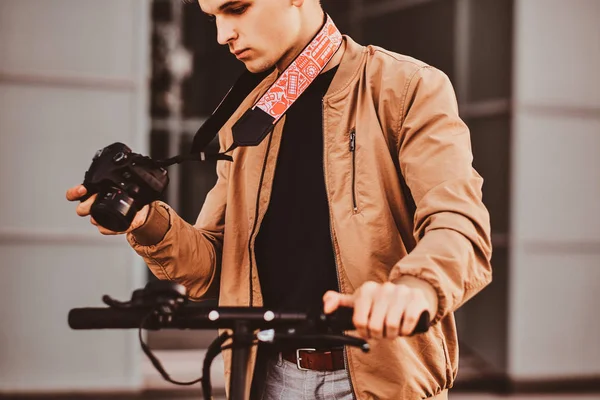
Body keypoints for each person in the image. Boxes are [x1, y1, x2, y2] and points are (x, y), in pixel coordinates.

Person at [66, 0, 492, 398]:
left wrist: (416, 287)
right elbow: (212, 267)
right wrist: (144, 221)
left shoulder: (407, 87)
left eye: (236, 8)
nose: (222, 34)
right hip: (266, 379)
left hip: (382, 381)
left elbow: (458, 220)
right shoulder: (246, 121)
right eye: (212, 16)